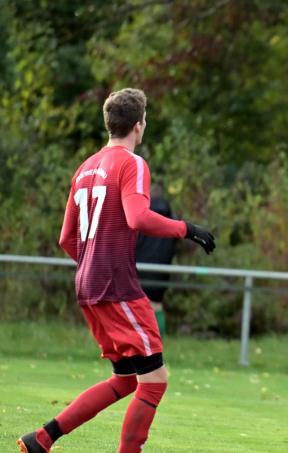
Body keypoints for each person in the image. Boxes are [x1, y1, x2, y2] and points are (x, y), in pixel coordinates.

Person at [17, 88, 216, 453]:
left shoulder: (84, 168)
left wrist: (93, 262)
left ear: (108, 123)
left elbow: (66, 238)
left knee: (126, 380)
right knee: (154, 380)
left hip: (88, 285)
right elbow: (137, 217)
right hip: (116, 286)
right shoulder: (132, 163)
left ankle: (41, 439)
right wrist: (187, 229)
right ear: (139, 125)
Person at [135, 192, 178, 335]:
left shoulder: (141, 221)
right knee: (156, 307)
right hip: (161, 274)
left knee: (132, 311)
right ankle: (159, 341)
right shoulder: (172, 223)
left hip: (139, 271)